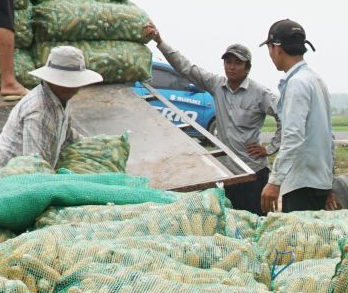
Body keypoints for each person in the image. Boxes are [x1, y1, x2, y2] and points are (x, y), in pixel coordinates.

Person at [143, 24, 279, 213]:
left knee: (255, 220)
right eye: (228, 62)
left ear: (247, 68)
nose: (231, 67)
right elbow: (186, 68)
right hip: (229, 172)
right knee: (233, 221)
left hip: (252, 171)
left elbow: (285, 116)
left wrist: (271, 148)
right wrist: (160, 42)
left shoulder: (260, 93)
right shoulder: (217, 85)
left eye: (237, 63)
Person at [259, 18, 334, 213]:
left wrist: (274, 182)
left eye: (269, 49)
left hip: (302, 183)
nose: (270, 55)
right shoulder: (316, 80)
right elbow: (328, 137)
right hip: (318, 182)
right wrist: (329, 182)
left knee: (298, 242)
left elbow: (293, 136)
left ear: (277, 49)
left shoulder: (297, 84)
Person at [0, 45, 102, 168]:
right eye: (64, 81)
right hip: (10, 179)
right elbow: (34, 167)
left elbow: (68, 136)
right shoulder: (39, 112)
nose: (71, 87)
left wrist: (97, 146)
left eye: (74, 82)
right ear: (50, 80)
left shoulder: (61, 98)